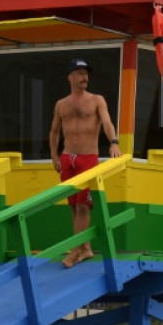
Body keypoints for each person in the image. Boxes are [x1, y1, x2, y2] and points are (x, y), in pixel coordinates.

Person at [49, 58, 121, 268]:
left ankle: (74, 251)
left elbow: (107, 122)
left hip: (87, 159)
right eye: (80, 73)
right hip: (67, 158)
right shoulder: (61, 104)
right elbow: (54, 131)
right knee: (73, 206)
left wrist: (114, 142)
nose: (84, 77)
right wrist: (54, 156)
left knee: (83, 207)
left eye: (86, 73)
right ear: (70, 76)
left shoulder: (97, 100)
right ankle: (86, 248)